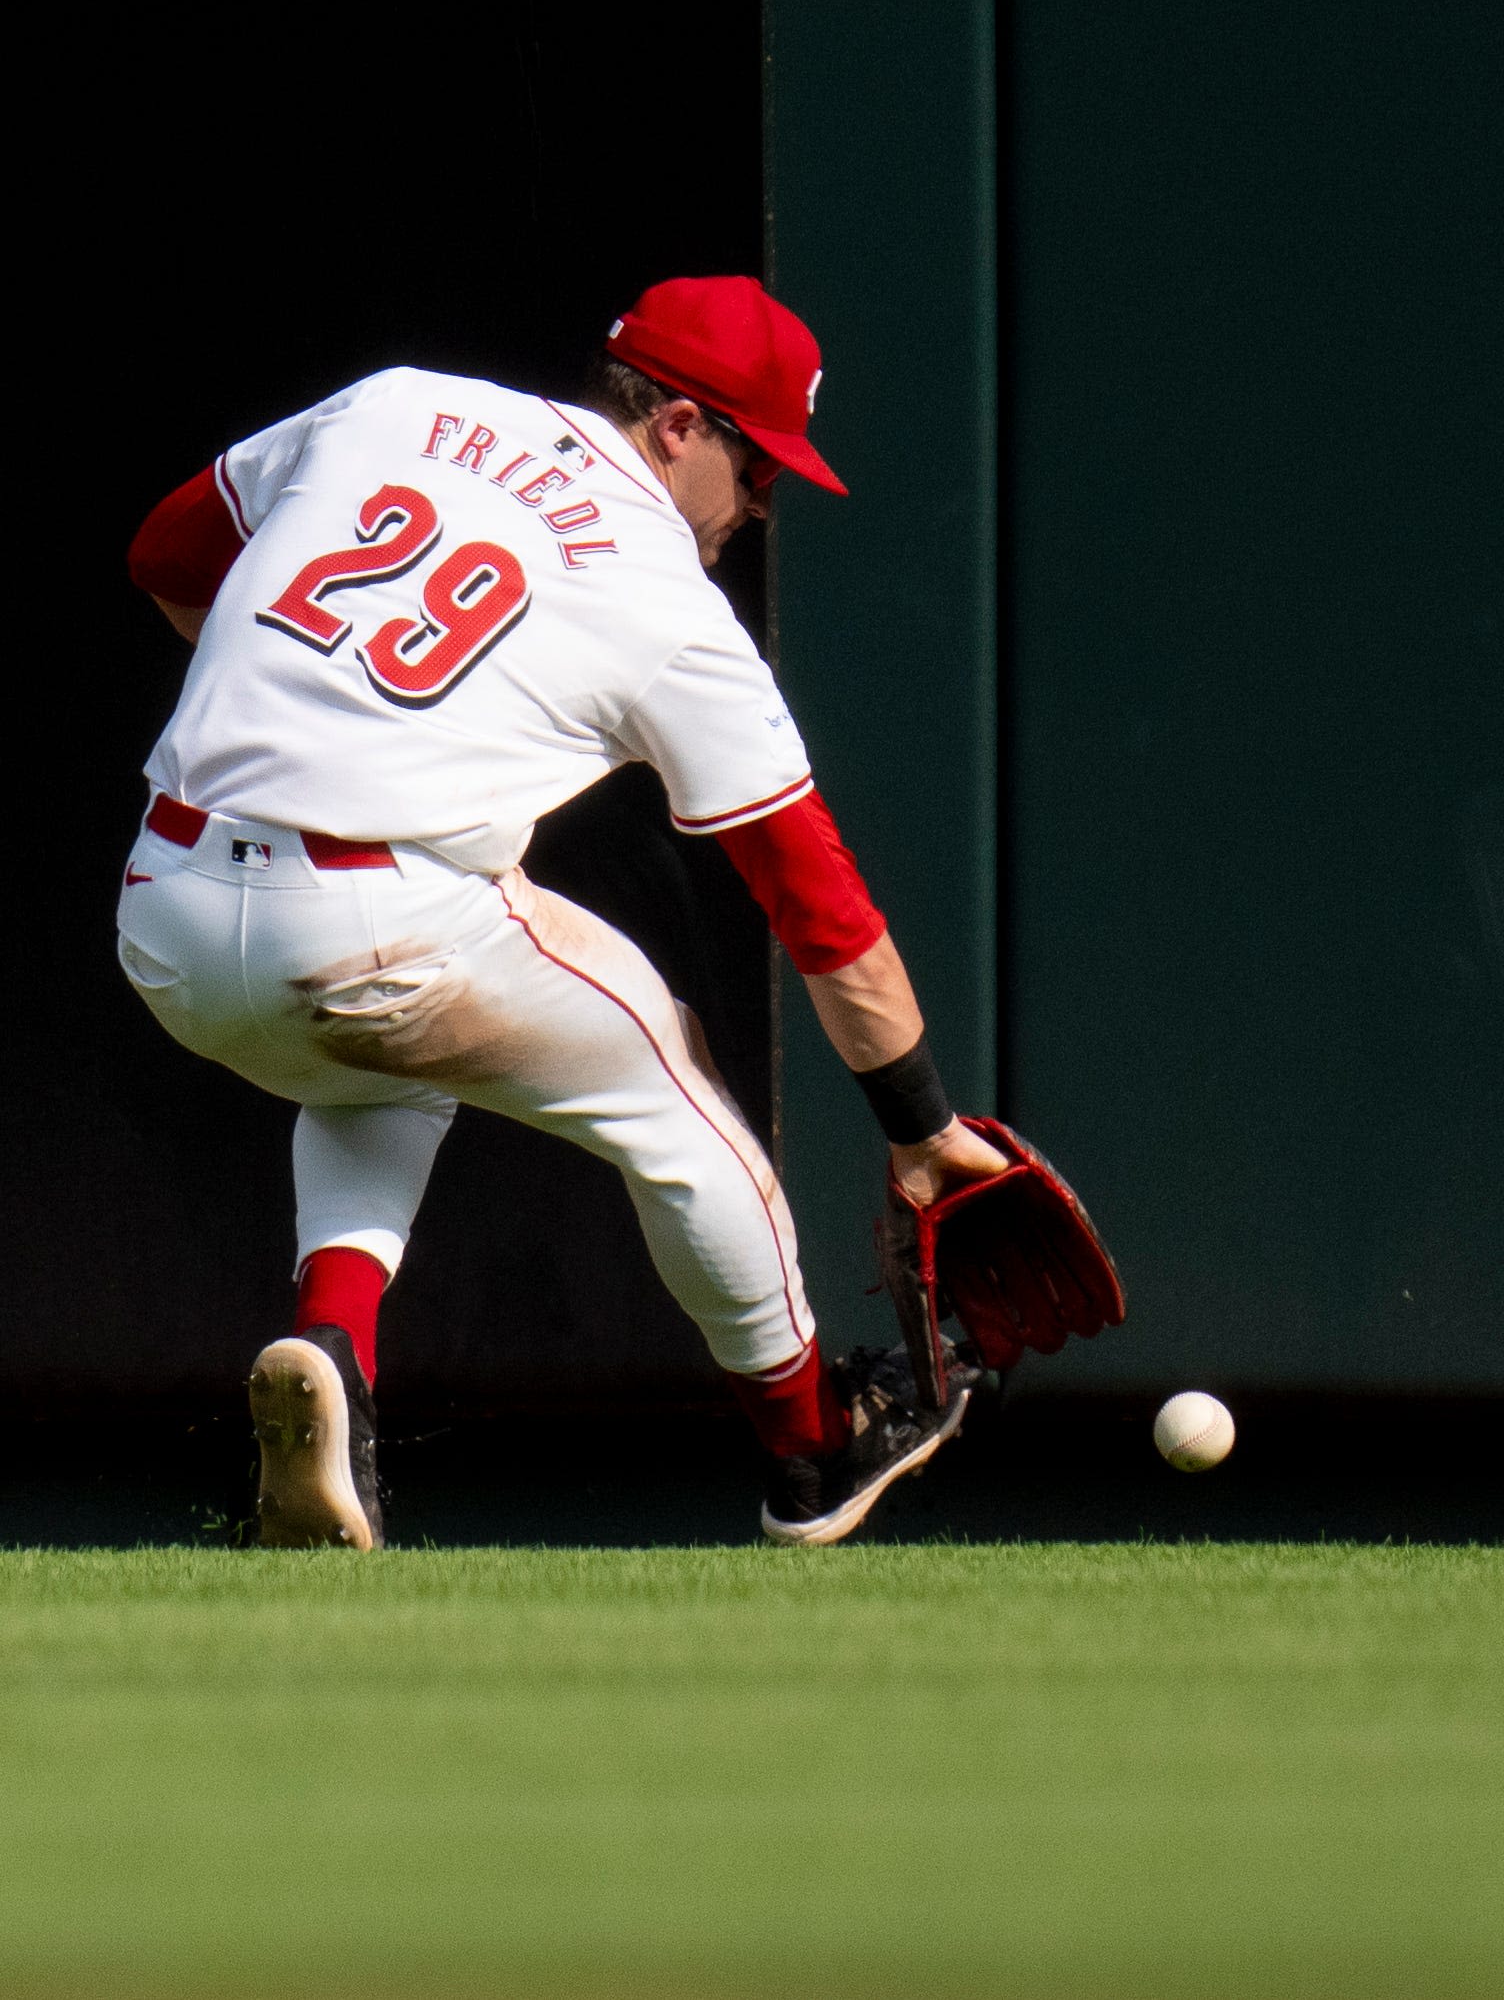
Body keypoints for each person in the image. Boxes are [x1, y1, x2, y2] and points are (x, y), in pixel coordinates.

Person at [119, 276, 1008, 1550]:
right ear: (679, 426)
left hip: (167, 909)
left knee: (379, 1057)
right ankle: (814, 1446)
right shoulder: (668, 603)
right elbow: (822, 911)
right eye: (757, 468)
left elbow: (162, 557)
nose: (759, 505)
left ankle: (334, 1345)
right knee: (670, 1075)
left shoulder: (397, 402)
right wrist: (921, 1129)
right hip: (377, 922)